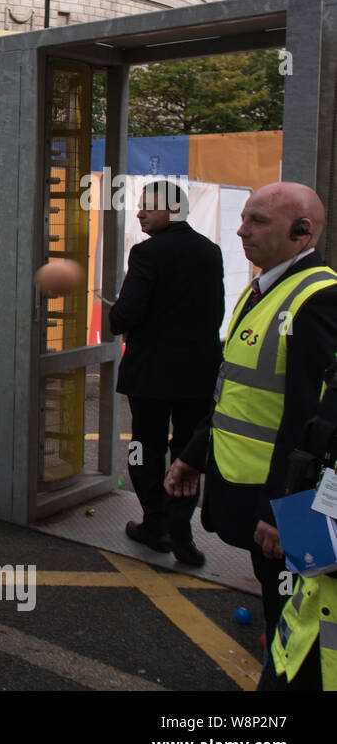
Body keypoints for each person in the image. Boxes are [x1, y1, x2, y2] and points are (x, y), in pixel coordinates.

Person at [168, 182, 337, 649]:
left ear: (303, 232)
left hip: (285, 497)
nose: (242, 230)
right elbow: (234, 390)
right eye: (243, 218)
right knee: (276, 590)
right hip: (249, 482)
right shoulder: (262, 289)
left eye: (258, 221)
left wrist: (281, 508)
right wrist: (194, 455)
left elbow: (312, 418)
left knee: (300, 602)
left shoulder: (317, 299)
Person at [110, 180, 224, 567]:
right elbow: (215, 313)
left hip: (151, 376)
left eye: (148, 206)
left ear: (173, 211)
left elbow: (127, 313)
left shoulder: (147, 254)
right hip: (197, 375)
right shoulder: (211, 252)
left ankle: (154, 524)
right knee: (188, 450)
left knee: (145, 446)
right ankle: (181, 528)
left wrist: (116, 314)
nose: (139, 212)